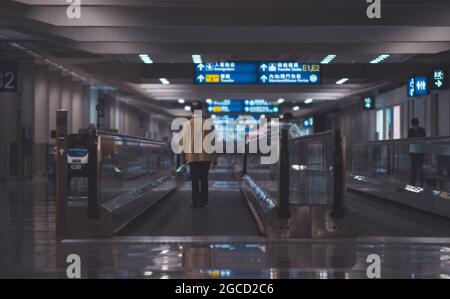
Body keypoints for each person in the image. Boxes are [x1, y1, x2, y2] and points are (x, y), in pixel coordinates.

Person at [183, 101, 216, 208]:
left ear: (192, 110)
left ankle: (196, 201)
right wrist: (214, 157)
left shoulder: (187, 124)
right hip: (205, 156)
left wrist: (184, 156)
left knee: (195, 180)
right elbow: (212, 141)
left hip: (192, 157)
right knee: (204, 179)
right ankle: (205, 200)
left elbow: (183, 141)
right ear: (202, 110)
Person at [408, 118, 426, 186]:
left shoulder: (412, 130)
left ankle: (419, 183)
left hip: (418, 151)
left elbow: (409, 140)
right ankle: (414, 183)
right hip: (415, 151)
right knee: (415, 168)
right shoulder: (420, 130)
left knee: (418, 168)